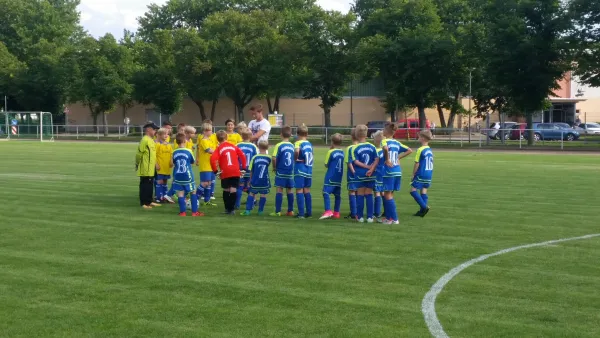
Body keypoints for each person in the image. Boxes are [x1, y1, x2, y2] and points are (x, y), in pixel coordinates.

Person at [381, 122, 412, 224]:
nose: (382, 131)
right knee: (390, 194)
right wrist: (398, 157)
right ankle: (389, 218)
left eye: (384, 129)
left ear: (386, 131)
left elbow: (385, 148)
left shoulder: (384, 141)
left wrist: (387, 159)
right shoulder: (397, 143)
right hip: (397, 171)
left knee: (387, 194)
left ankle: (394, 218)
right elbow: (409, 150)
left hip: (389, 171)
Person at [210, 130, 248, 215]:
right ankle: (232, 209)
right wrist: (244, 168)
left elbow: (212, 159)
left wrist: (216, 171)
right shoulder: (233, 146)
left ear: (217, 139)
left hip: (225, 171)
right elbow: (242, 155)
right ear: (227, 137)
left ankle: (227, 209)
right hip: (235, 170)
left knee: (226, 189)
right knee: (233, 189)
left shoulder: (219, 149)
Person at [351, 124, 379, 223]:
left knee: (360, 194)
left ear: (356, 135)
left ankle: (360, 216)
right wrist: (371, 168)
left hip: (360, 174)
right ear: (366, 134)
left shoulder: (355, 148)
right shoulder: (372, 146)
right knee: (369, 194)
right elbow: (376, 159)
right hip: (371, 174)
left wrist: (366, 167)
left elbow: (355, 162)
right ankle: (370, 217)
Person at [172, 132, 202, 217]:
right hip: (187, 175)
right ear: (185, 140)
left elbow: (172, 163)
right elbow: (192, 161)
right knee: (193, 192)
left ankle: (182, 212)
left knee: (180, 193)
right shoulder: (188, 151)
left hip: (178, 175)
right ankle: (194, 212)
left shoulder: (174, 152)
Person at [241, 140, 272, 216]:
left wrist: (250, 179)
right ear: (267, 147)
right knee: (263, 195)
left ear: (258, 147)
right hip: (264, 180)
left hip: (255, 179)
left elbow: (251, 170)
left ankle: (248, 210)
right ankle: (260, 211)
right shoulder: (269, 158)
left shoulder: (255, 157)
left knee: (251, 193)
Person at [270, 125, 295, 217]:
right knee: (290, 190)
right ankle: (290, 211)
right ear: (290, 135)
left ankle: (277, 211)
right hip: (290, 172)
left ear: (281, 134)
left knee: (279, 190)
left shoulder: (279, 145)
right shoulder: (292, 145)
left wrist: (274, 167)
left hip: (281, 171)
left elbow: (273, 157)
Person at [319, 133, 344, 220]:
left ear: (332, 142)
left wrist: (330, 150)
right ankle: (336, 212)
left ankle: (328, 210)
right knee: (337, 195)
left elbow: (326, 164)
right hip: (339, 177)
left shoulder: (331, 152)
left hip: (331, 176)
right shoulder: (342, 152)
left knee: (325, 192)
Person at [136, 122, 160, 209]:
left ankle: (149, 201)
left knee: (150, 184)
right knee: (144, 185)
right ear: (148, 129)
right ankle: (144, 203)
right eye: (154, 130)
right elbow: (139, 153)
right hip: (145, 167)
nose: (155, 131)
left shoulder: (151, 140)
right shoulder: (144, 140)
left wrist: (155, 164)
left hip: (151, 168)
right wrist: (137, 163)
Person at [410, 130, 434, 217]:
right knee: (423, 191)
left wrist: (413, 174)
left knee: (413, 191)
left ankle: (424, 207)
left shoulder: (420, 149)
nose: (418, 138)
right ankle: (422, 212)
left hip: (421, 173)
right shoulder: (429, 149)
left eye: (419, 136)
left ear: (423, 138)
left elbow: (417, 163)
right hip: (429, 173)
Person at [294, 124, 314, 218]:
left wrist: (296, 158)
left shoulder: (298, 143)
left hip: (300, 168)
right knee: (307, 190)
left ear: (297, 133)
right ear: (307, 134)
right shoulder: (309, 144)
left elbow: (297, 151)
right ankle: (309, 212)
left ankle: (301, 213)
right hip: (308, 169)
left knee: (299, 190)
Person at [236, 128, 258, 209]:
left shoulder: (237, 145)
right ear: (251, 136)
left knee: (239, 186)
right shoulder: (253, 146)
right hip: (250, 170)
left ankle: (237, 204)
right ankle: (250, 204)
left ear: (241, 136)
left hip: (240, 170)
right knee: (250, 187)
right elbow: (256, 158)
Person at [196, 122, 217, 207]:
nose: (211, 132)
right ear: (204, 131)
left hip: (211, 165)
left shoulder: (209, 140)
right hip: (205, 165)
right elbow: (209, 150)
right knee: (205, 183)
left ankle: (207, 200)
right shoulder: (204, 141)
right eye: (209, 131)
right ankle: (194, 198)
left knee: (209, 183)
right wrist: (219, 152)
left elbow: (213, 149)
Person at [154, 128, 175, 204]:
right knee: (160, 181)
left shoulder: (169, 145)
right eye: (164, 134)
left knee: (165, 181)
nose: (166, 135)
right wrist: (156, 164)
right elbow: (154, 155)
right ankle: (158, 197)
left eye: (167, 134)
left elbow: (171, 155)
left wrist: (171, 162)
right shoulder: (157, 144)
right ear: (159, 135)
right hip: (160, 166)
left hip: (167, 167)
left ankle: (165, 196)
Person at [345, 129, 359, 220]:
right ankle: (359, 212)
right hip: (362, 174)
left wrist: (353, 171)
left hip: (352, 173)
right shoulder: (361, 146)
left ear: (351, 137)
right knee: (359, 192)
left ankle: (353, 213)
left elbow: (348, 162)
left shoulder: (350, 148)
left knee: (352, 191)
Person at [372, 131, 385, 221]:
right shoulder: (385, 151)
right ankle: (387, 210)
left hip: (377, 173)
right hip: (385, 173)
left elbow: (374, 163)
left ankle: (376, 212)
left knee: (376, 192)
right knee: (383, 192)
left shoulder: (375, 151)